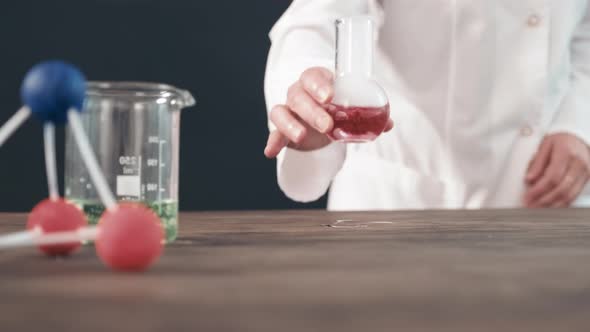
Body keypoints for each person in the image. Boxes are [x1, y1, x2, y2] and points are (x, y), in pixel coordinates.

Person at [263, 0, 590, 210]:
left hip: (547, 199)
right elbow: (318, 17)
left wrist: (578, 123)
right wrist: (308, 88)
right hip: (409, 199)